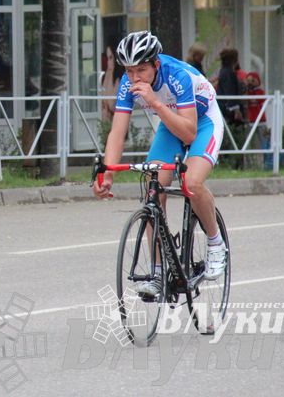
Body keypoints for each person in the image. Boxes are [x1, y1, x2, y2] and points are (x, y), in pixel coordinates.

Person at [92, 30, 227, 296]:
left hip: (202, 122)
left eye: (141, 70)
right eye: (129, 71)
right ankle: (157, 271)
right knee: (153, 186)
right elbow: (117, 133)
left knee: (192, 182)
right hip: (170, 122)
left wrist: (154, 101)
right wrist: (107, 175)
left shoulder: (177, 76)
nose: (135, 78)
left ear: (156, 64)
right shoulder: (127, 84)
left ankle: (215, 242)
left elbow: (189, 133)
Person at [216, 48, 245, 125]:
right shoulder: (229, 73)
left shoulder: (224, 71)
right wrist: (236, 109)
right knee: (235, 131)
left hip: (224, 106)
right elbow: (230, 91)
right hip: (228, 110)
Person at [99, 44, 122, 122]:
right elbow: (103, 100)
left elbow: (111, 104)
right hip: (106, 118)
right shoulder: (105, 76)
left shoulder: (118, 80)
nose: (109, 62)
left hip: (116, 119)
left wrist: (110, 73)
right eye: (107, 58)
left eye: (111, 58)